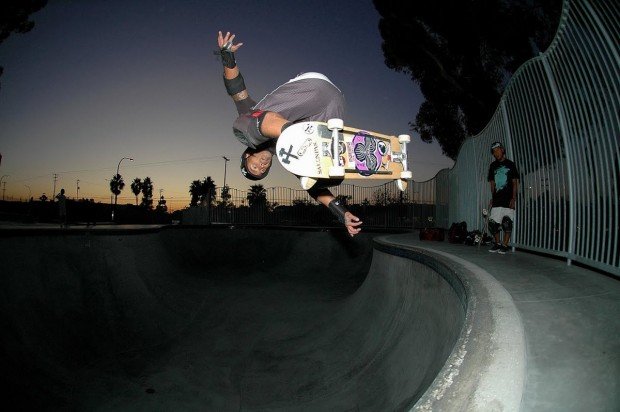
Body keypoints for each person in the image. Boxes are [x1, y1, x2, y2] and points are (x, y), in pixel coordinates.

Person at [217, 31, 362, 237]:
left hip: (309, 90)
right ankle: (347, 152)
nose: (262, 166)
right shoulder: (287, 154)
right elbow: (314, 190)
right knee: (314, 176)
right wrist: (342, 213)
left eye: (255, 165)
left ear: (249, 155)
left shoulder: (250, 125)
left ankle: (293, 132)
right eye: (262, 171)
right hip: (335, 103)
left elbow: (236, 89)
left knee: (243, 126)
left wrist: (227, 55)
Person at [487, 142, 519, 254]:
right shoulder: (492, 166)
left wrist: (514, 198)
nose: (496, 153)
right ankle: (497, 243)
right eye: (494, 151)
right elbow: (492, 183)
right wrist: (492, 197)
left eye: (497, 150)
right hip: (497, 199)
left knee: (507, 223)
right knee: (492, 224)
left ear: (502, 150)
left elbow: (515, 182)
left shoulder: (511, 164)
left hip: (508, 198)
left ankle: (505, 245)